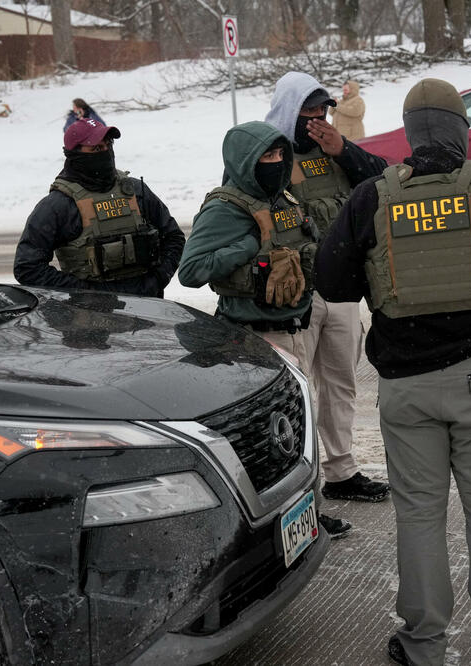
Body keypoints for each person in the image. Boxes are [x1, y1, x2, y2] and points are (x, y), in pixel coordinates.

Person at [315, 78, 471, 666]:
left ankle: (423, 643)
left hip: (406, 388)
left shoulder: (372, 197)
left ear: (411, 135)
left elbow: (331, 283)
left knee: (418, 516)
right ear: (462, 129)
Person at [177, 120, 351, 539]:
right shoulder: (225, 208)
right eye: (265, 157)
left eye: (278, 155)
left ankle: (304, 511)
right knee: (278, 436)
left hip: (297, 328)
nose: (274, 163)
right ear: (244, 161)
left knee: (297, 427)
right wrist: (248, 246)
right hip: (256, 337)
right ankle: (277, 518)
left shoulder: (284, 197)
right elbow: (190, 270)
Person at [264, 71, 390, 504]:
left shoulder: (335, 149)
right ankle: (304, 486)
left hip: (340, 289)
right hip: (296, 291)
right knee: (298, 392)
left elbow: (385, 182)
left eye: (322, 110)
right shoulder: (266, 152)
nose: (317, 119)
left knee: (340, 383)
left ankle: (340, 471)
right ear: (289, 109)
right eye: (308, 111)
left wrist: (345, 150)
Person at [14, 118, 185, 297]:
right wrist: (86, 292)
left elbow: (174, 237)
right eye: (96, 148)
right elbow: (27, 268)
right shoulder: (58, 205)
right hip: (91, 315)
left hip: (148, 307)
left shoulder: (135, 191)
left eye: (108, 145)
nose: (105, 152)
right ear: (75, 155)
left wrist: (157, 278)